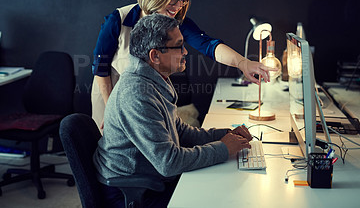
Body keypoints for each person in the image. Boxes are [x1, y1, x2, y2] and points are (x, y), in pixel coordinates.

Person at [93, 13, 253, 207]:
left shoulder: (156, 78)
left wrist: (225, 135)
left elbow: (180, 131)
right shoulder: (137, 94)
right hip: (132, 192)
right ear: (155, 55)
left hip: (150, 178)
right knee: (222, 199)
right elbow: (169, 163)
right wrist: (223, 148)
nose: (185, 52)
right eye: (179, 46)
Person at [91, 0, 276, 131]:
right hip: (110, 97)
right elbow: (101, 69)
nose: (178, 6)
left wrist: (243, 63)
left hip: (147, 101)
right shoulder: (118, 20)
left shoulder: (176, 23)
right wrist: (111, 111)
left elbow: (209, 45)